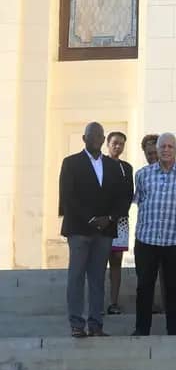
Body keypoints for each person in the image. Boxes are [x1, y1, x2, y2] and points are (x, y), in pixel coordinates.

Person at [60, 122, 131, 338]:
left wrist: (109, 218)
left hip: (105, 230)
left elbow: (123, 196)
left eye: (99, 136)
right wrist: (91, 219)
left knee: (98, 277)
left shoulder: (112, 166)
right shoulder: (71, 163)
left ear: (103, 139)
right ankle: (76, 324)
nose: (96, 140)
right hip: (80, 229)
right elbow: (67, 197)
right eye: (91, 136)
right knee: (76, 276)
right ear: (84, 139)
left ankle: (96, 324)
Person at [132, 133, 176, 336]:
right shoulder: (142, 174)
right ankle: (142, 329)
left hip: (175, 239)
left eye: (170, 146)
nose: (166, 150)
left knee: (174, 287)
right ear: (156, 151)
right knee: (144, 286)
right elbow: (140, 201)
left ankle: (174, 328)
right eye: (162, 147)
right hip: (146, 239)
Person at [105, 131, 134, 316]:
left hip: (120, 221)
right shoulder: (100, 164)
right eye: (115, 143)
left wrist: (117, 214)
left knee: (116, 262)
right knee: (99, 263)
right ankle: (97, 303)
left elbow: (129, 194)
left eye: (121, 144)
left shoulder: (126, 167)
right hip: (101, 222)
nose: (118, 146)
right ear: (107, 144)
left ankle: (113, 302)